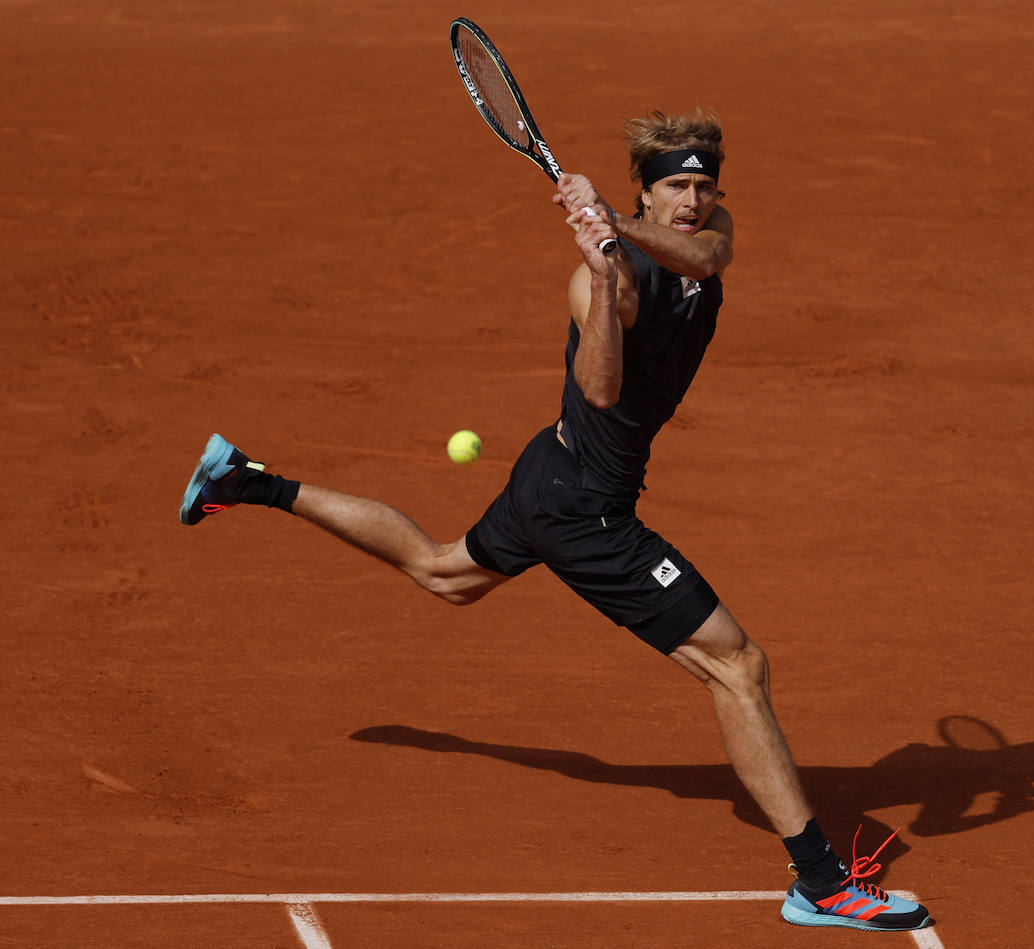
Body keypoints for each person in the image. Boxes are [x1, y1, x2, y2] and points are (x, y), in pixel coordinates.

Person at [178, 108, 931, 932]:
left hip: (552, 474)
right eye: (675, 187)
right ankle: (820, 883)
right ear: (645, 192)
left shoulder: (704, 233)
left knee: (443, 571)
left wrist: (616, 225)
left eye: (703, 186)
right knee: (737, 666)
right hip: (584, 511)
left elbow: (713, 254)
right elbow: (604, 386)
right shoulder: (605, 280)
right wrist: (606, 277)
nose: (692, 200)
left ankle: (247, 482)